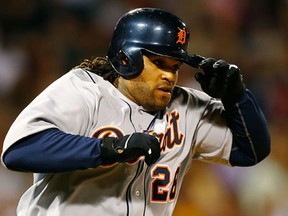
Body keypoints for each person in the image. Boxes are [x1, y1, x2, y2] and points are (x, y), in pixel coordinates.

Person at [1, 7, 270, 216]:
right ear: (126, 57)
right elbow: (19, 150)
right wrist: (111, 148)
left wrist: (237, 98)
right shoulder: (83, 90)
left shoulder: (187, 106)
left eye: (175, 66)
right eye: (158, 62)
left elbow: (250, 151)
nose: (169, 75)